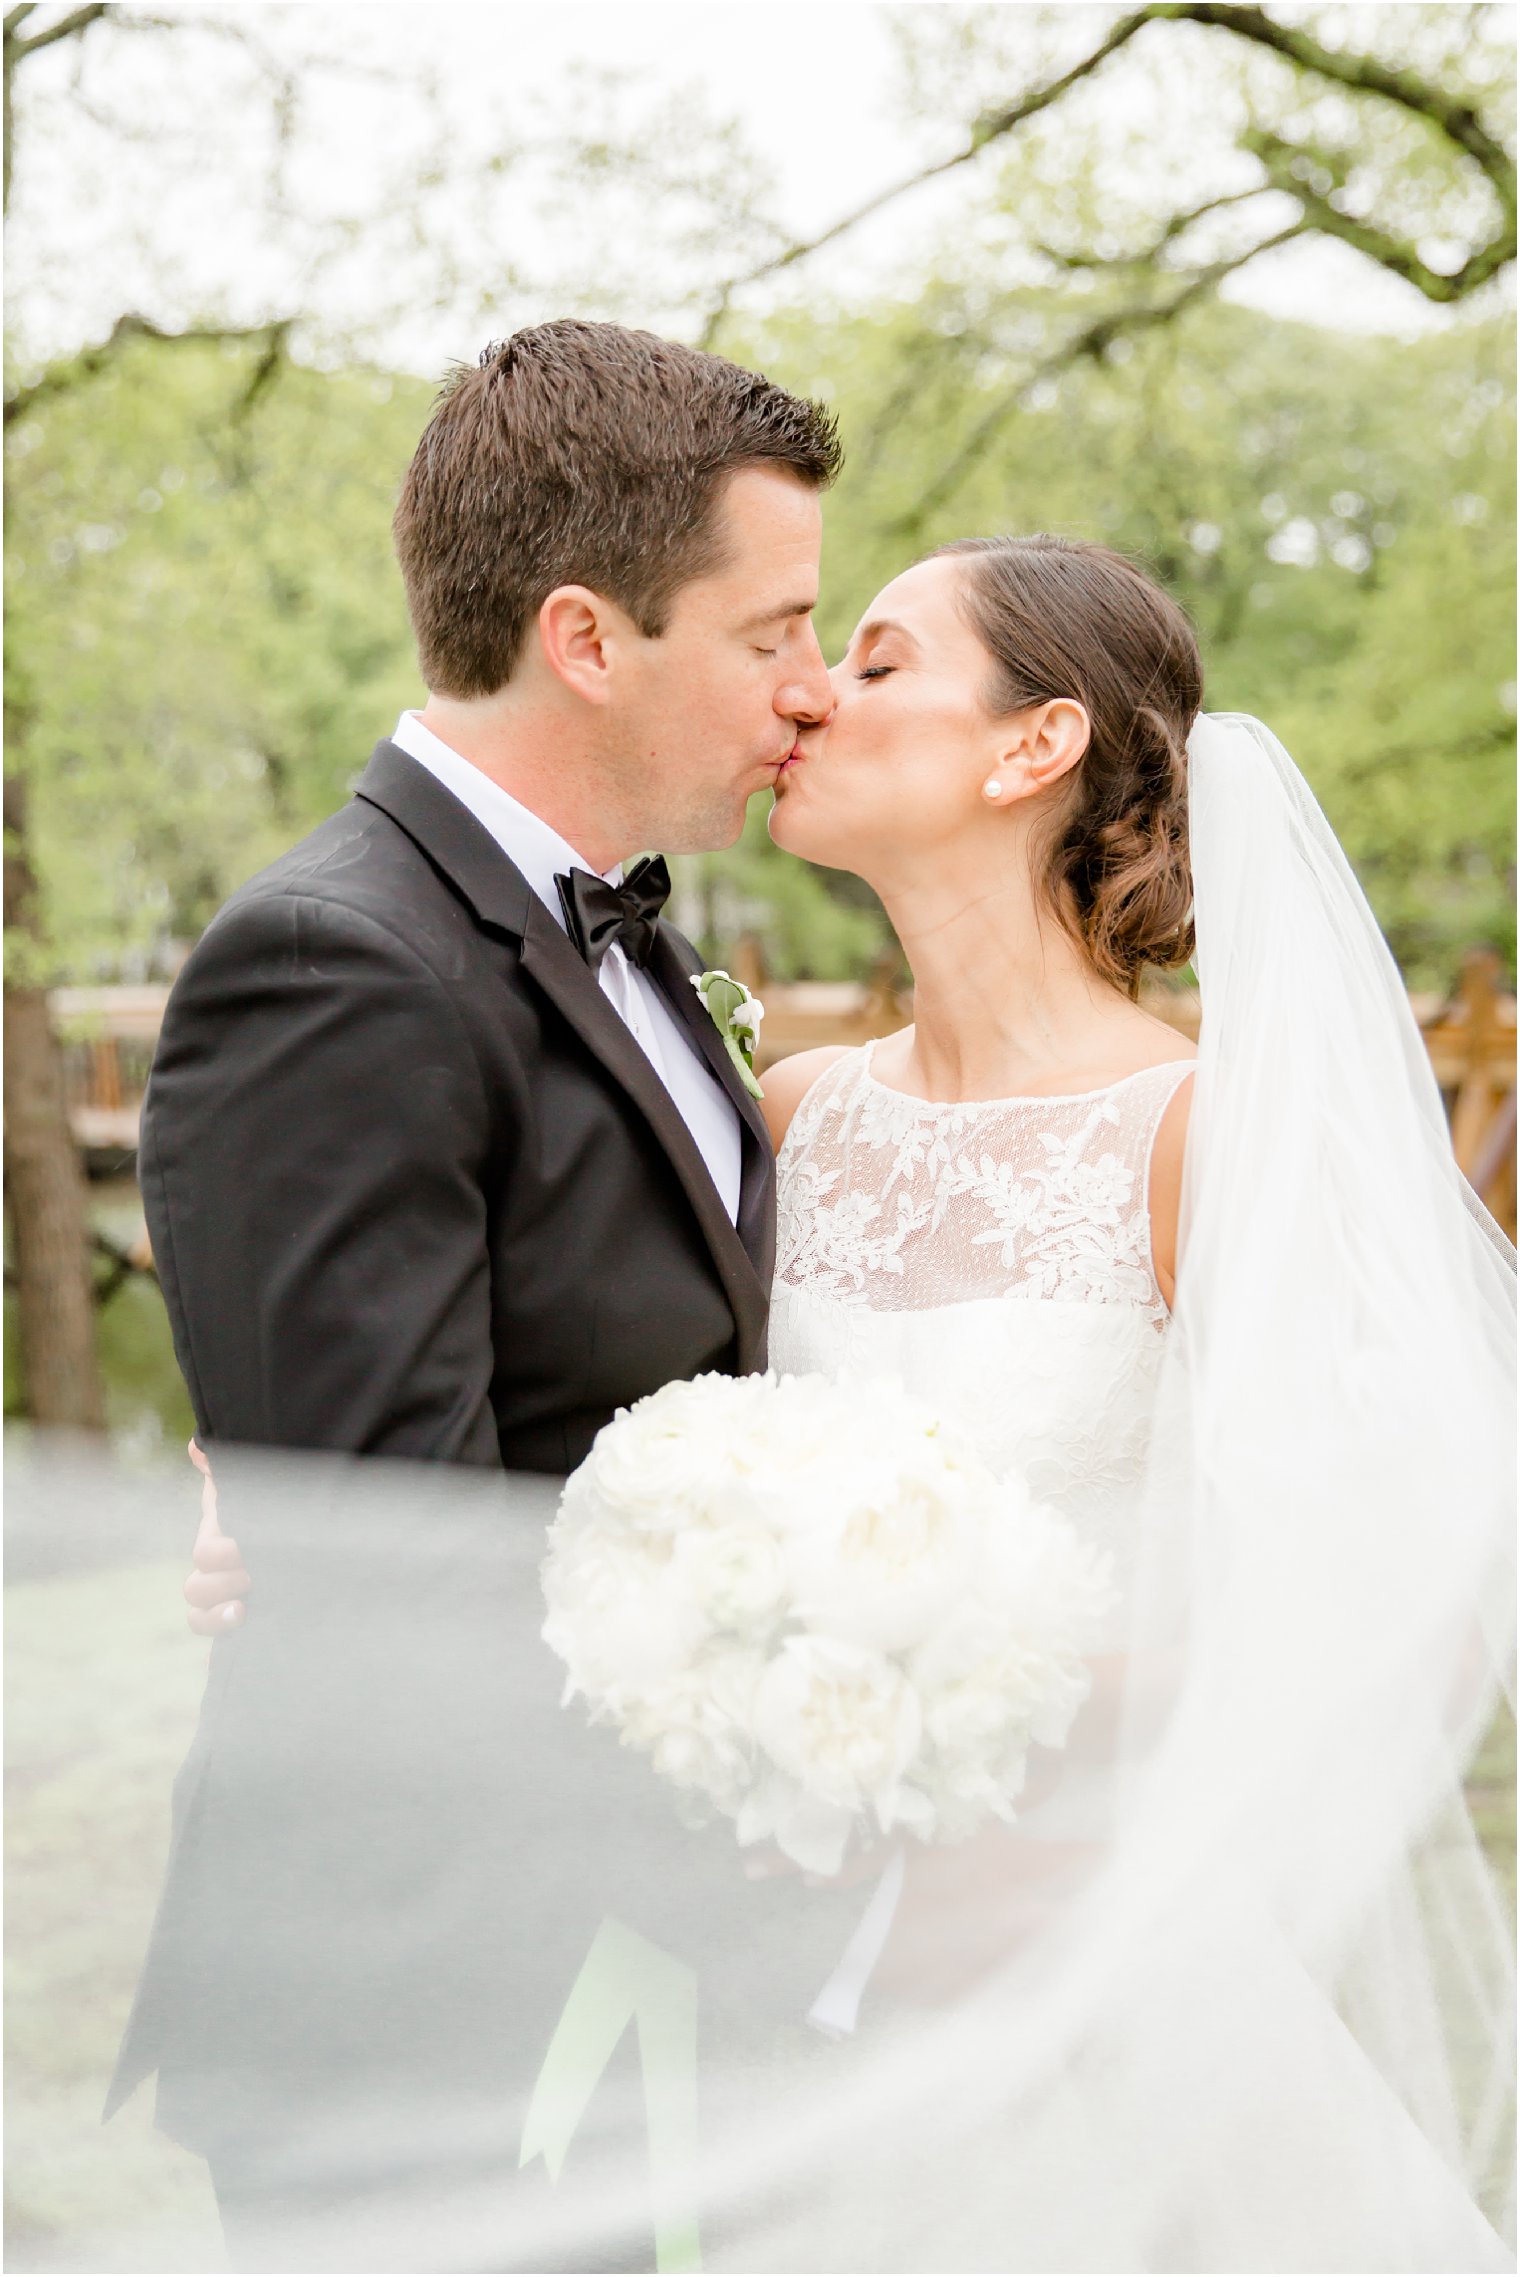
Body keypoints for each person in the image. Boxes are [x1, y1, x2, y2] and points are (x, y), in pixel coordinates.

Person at [187, 529, 1515, 2269]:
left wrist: (968, 1719)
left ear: (1029, 746)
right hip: (793, 2007)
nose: (813, 690)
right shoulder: (793, 1117)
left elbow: (1358, 1600)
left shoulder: (1204, 1138)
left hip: (1085, 1986)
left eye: (881, 661)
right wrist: (305, 1528)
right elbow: (619, 1423)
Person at [106, 319, 869, 2273]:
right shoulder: (333, 964)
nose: (809, 691)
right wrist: (775, 1848)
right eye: (774, 630)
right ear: (587, 636)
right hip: (418, 2012)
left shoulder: (625, 937)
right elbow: (397, 1567)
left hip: (610, 1984)